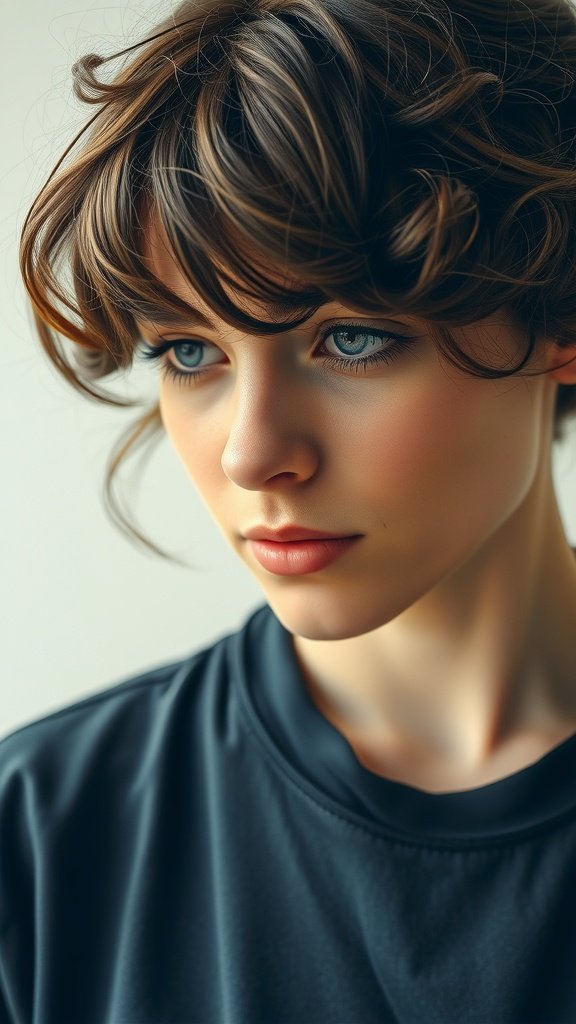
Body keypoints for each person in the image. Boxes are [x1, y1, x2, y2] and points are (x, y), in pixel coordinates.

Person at [3, 0, 576, 1020]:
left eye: (351, 338)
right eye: (188, 352)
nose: (253, 453)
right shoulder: (43, 836)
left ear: (557, 318)